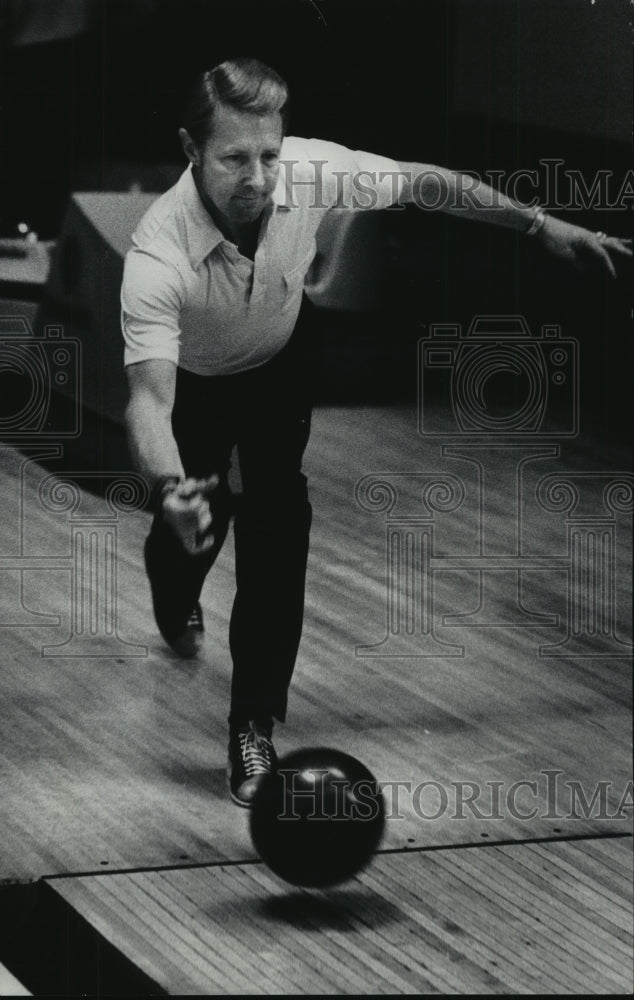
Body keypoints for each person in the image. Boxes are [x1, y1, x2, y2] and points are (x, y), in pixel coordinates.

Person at [121, 57, 631, 808]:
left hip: (277, 362)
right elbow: (147, 403)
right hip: (193, 386)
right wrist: (170, 490)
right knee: (191, 530)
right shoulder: (157, 251)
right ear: (191, 150)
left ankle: (253, 725)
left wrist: (538, 223)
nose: (258, 176)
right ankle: (175, 587)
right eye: (234, 157)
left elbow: (432, 185)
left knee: (279, 521)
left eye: (269, 153)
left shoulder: (311, 172)